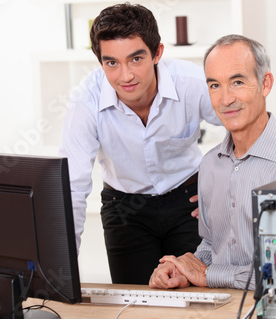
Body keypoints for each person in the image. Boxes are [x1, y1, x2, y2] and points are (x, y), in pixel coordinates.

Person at [59, 3, 220, 285]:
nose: (126, 76)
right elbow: (72, 187)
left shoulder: (192, 83)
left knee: (198, 299)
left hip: (188, 201)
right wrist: (58, 269)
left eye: (135, 59)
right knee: (133, 307)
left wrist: (224, 186)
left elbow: (242, 124)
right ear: (100, 63)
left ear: (157, 53)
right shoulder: (86, 100)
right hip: (124, 209)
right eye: (112, 63)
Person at [149, 34, 276, 290]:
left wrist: (209, 275)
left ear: (265, 84)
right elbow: (211, 245)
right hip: (215, 313)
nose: (225, 99)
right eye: (214, 85)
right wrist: (181, 269)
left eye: (237, 82)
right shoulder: (209, 165)